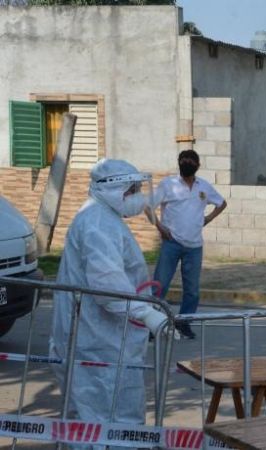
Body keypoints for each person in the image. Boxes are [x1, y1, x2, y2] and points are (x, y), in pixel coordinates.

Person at [49, 159, 170, 438]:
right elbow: (108, 284)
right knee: (103, 414)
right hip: (97, 341)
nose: (139, 197)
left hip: (103, 337)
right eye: (133, 191)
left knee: (104, 412)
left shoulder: (103, 217)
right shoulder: (97, 223)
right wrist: (148, 315)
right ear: (117, 191)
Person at [152, 150, 226, 339]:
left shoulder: (204, 186)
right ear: (179, 163)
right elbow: (148, 206)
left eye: (191, 161)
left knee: (192, 291)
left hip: (194, 247)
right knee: (160, 286)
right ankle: (152, 325)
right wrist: (160, 227)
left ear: (198, 165)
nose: (187, 163)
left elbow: (221, 203)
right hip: (171, 243)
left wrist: (207, 218)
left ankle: (184, 324)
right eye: (184, 160)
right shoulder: (168, 185)